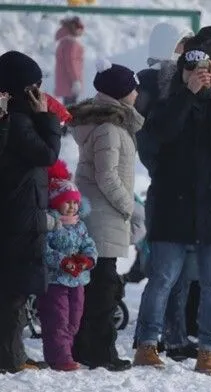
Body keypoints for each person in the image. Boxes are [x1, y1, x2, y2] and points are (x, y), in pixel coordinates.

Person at [133, 42, 211, 376]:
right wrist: (187, 95)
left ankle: (208, 351)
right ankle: (147, 344)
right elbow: (160, 131)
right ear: (182, 73)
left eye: (204, 69)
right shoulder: (168, 104)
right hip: (173, 208)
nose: (199, 75)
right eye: (191, 70)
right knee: (162, 279)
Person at [68, 60, 144, 371]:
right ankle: (100, 352)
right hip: (103, 217)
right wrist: (128, 206)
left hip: (99, 215)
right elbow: (107, 176)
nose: (137, 93)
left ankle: (85, 347)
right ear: (120, 93)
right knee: (103, 289)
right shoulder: (110, 129)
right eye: (133, 88)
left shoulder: (108, 124)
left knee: (96, 286)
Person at [0, 51, 62, 373]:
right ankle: (11, 358)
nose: (39, 94)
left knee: (13, 290)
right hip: (18, 214)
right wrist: (45, 117)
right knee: (13, 292)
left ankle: (13, 354)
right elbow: (47, 154)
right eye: (33, 88)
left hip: (19, 211)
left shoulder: (13, 118)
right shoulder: (19, 121)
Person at [37, 167, 97, 370]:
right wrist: (62, 261)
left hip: (77, 280)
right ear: (56, 202)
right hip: (56, 280)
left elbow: (89, 245)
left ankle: (65, 352)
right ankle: (59, 357)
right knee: (57, 318)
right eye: (67, 202)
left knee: (74, 320)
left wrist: (87, 260)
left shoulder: (80, 225)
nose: (72, 207)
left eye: (75, 202)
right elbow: (44, 250)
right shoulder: (51, 225)